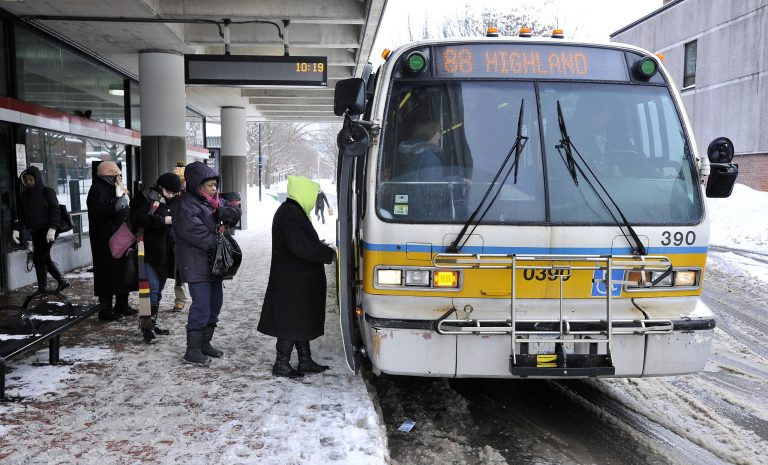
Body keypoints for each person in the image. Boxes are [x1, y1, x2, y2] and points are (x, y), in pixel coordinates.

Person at [258, 175, 336, 378]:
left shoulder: (292, 211)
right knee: (291, 321)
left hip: (295, 279)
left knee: (300, 319)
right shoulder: (291, 214)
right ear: (304, 193)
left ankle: (305, 361)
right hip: (293, 280)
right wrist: (327, 254)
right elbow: (300, 247)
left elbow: (300, 243)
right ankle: (281, 364)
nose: (313, 200)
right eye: (312, 195)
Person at [171, 161, 241, 366]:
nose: (214, 188)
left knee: (214, 304)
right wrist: (221, 242)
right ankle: (192, 349)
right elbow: (194, 233)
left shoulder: (213, 201)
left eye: (214, 184)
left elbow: (235, 212)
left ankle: (205, 343)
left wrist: (228, 214)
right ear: (197, 184)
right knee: (201, 305)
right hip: (195, 262)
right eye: (209, 185)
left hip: (213, 263)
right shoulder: (185, 204)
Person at [129, 172, 181, 342]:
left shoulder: (170, 201)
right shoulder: (144, 197)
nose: (172, 196)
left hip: (165, 252)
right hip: (147, 250)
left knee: (157, 290)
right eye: (169, 192)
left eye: (175, 193)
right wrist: (161, 221)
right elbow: (137, 219)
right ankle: (146, 329)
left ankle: (151, 323)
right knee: (151, 289)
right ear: (161, 187)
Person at [87, 161, 138, 321]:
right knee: (107, 275)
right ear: (108, 176)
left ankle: (122, 305)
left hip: (120, 236)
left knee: (123, 272)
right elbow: (96, 213)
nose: (119, 178)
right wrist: (116, 206)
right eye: (116, 175)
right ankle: (106, 310)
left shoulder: (116, 187)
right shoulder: (97, 190)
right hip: (104, 240)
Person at [11, 166, 70, 293]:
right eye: (26, 180)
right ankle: (62, 280)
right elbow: (20, 215)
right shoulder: (24, 196)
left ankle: (42, 289)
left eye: (31, 179)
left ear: (37, 179)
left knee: (39, 258)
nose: (28, 182)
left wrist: (53, 228)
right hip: (35, 232)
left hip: (48, 231)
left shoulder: (46, 191)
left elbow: (55, 210)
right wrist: (16, 229)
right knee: (44, 257)